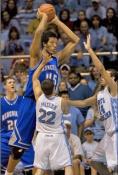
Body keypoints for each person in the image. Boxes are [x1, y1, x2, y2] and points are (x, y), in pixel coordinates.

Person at [5, 9, 79, 175]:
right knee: (19, 147)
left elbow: (75, 40)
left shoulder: (57, 58)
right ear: (44, 44)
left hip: (51, 103)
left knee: (48, 150)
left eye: (56, 42)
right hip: (32, 101)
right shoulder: (36, 56)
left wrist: (57, 21)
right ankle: (8, 173)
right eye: (51, 43)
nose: (55, 45)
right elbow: (38, 33)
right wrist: (45, 17)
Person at [65, 35, 118, 175]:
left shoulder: (114, 89)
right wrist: (66, 101)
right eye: (102, 76)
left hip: (116, 133)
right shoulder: (99, 94)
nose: (102, 77)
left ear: (113, 79)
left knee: (115, 168)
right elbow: (83, 102)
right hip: (108, 135)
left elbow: (100, 67)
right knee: (94, 161)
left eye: (105, 75)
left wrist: (89, 50)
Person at [0, 77, 34, 174]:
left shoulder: (23, 100)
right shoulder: (1, 103)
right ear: (5, 86)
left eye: (14, 82)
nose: (12, 84)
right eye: (10, 82)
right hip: (4, 138)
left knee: (33, 166)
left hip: (21, 138)